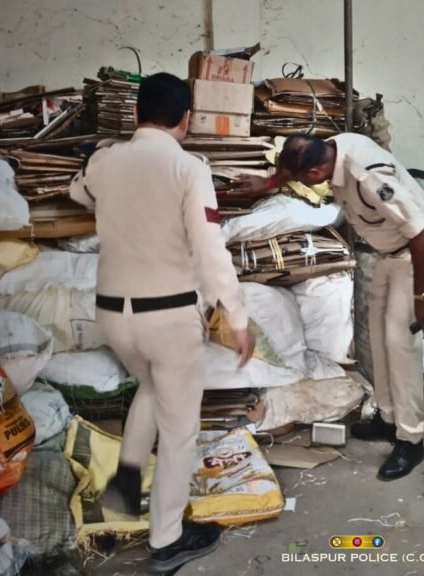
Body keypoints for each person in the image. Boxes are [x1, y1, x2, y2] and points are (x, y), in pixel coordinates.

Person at [70, 72, 256, 573]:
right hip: (167, 318)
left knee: (150, 389)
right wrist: (236, 316)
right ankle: (167, 539)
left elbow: (79, 193)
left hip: (114, 315)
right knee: (178, 430)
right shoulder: (189, 168)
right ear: (186, 119)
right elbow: (210, 249)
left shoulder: (104, 161)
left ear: (135, 113)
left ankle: (124, 491)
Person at [233, 133, 424, 480]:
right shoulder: (328, 147)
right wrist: (268, 183)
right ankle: (388, 419)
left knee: (400, 342)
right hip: (388, 252)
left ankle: (411, 439)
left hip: (416, 252)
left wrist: (422, 297)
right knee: (377, 338)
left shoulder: (369, 176)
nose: (299, 184)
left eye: (302, 180)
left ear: (316, 173)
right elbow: (293, 163)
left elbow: (420, 234)